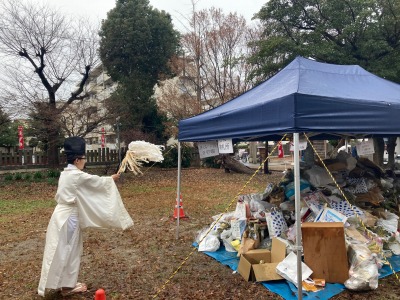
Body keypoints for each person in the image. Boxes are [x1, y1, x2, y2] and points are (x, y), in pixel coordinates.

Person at [38, 136, 134, 297]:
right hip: (68, 218)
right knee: (69, 250)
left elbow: (90, 183)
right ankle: (67, 286)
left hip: (61, 216)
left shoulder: (66, 174)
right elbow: (95, 182)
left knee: (63, 249)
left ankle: (63, 284)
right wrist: (111, 179)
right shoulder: (75, 175)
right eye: (83, 159)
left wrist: (109, 180)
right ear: (77, 160)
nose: (85, 161)